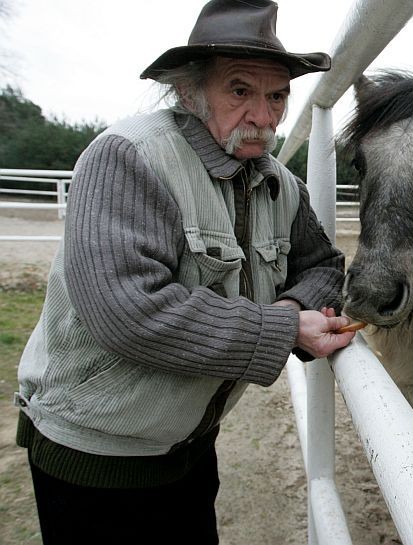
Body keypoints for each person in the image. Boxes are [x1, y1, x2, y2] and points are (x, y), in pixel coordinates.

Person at [13, 1, 357, 543]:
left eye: (277, 96)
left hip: (191, 444)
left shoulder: (279, 185)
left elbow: (324, 265)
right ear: (187, 90)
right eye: (240, 91)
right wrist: (286, 330)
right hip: (96, 452)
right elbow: (128, 311)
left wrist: (290, 307)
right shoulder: (129, 158)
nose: (265, 118)